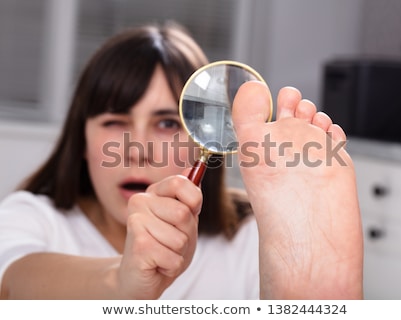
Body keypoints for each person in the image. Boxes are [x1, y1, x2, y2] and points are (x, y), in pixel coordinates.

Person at [0, 22, 363, 299]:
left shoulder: (252, 237)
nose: (137, 147)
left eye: (167, 123)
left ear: (203, 140)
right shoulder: (33, 218)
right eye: (114, 121)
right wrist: (122, 281)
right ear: (81, 139)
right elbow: (13, 286)